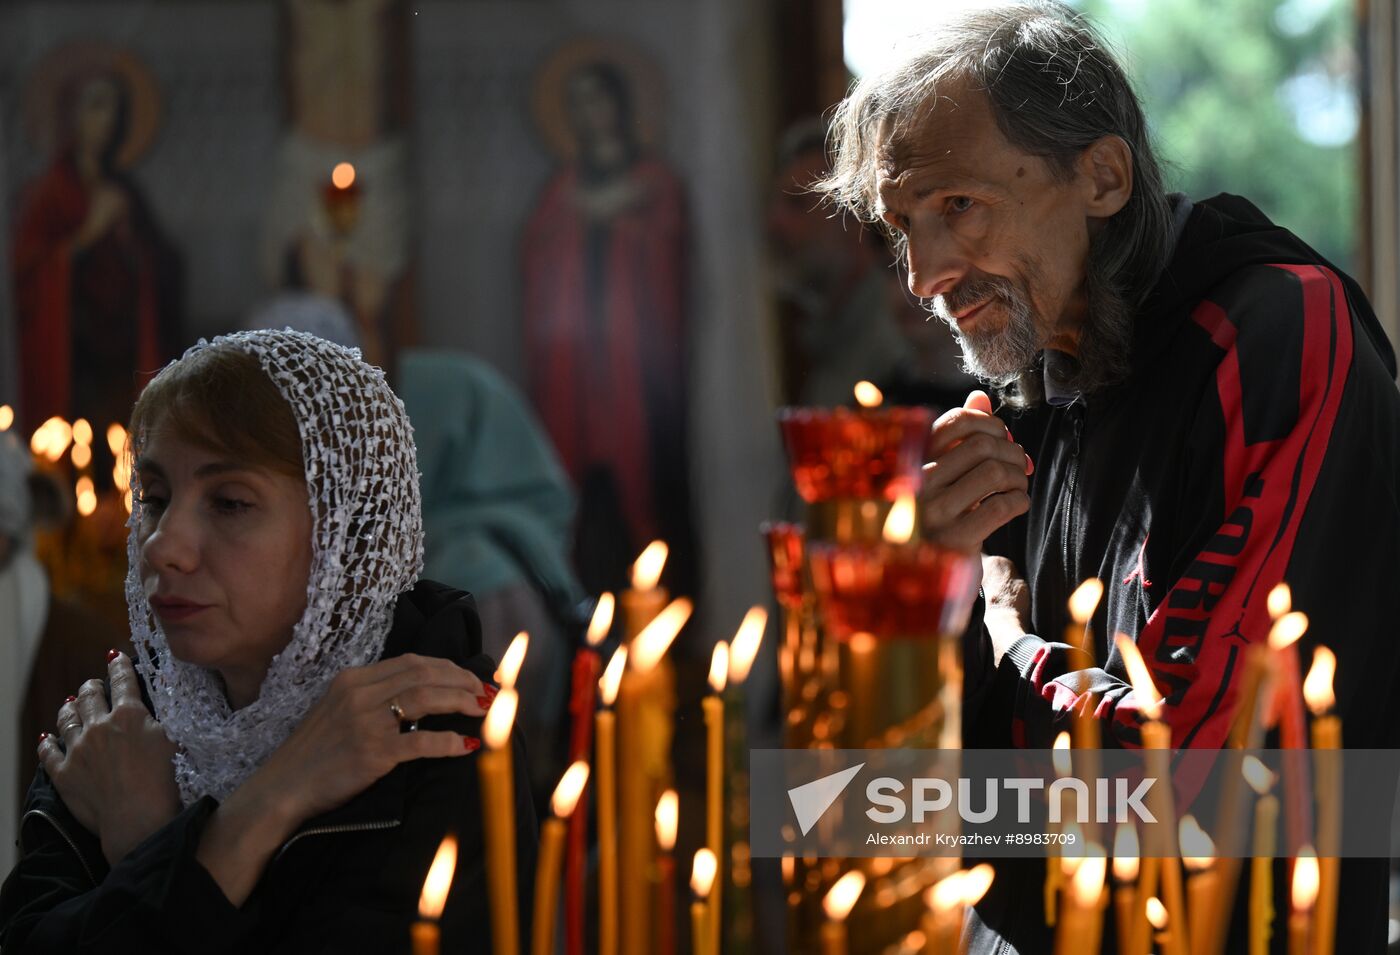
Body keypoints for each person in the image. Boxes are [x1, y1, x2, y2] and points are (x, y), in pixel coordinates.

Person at [818, 3, 1400, 953]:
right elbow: (891, 798)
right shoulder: (1031, 383)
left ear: (1100, 175)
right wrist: (930, 593)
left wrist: (997, 633)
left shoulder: (1281, 334)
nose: (923, 273)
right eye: (902, 227)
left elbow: (1189, 791)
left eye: (957, 205)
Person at [0, 329, 537, 952]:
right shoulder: (119, 731)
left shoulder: (433, 733)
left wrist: (150, 856)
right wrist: (262, 806)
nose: (162, 546)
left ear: (345, 528)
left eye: (229, 503)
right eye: (154, 498)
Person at [13, 62, 182, 441]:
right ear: (71, 115)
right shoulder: (49, 194)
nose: (106, 120)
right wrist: (89, 233)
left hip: (123, 355)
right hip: (75, 356)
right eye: (96, 106)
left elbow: (162, 266)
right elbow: (27, 274)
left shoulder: (126, 192)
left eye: (114, 108)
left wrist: (130, 246)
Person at [767, 119, 975, 411]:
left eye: (797, 204)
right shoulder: (833, 336)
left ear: (853, 220)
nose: (774, 224)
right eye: (893, 270)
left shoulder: (898, 343)